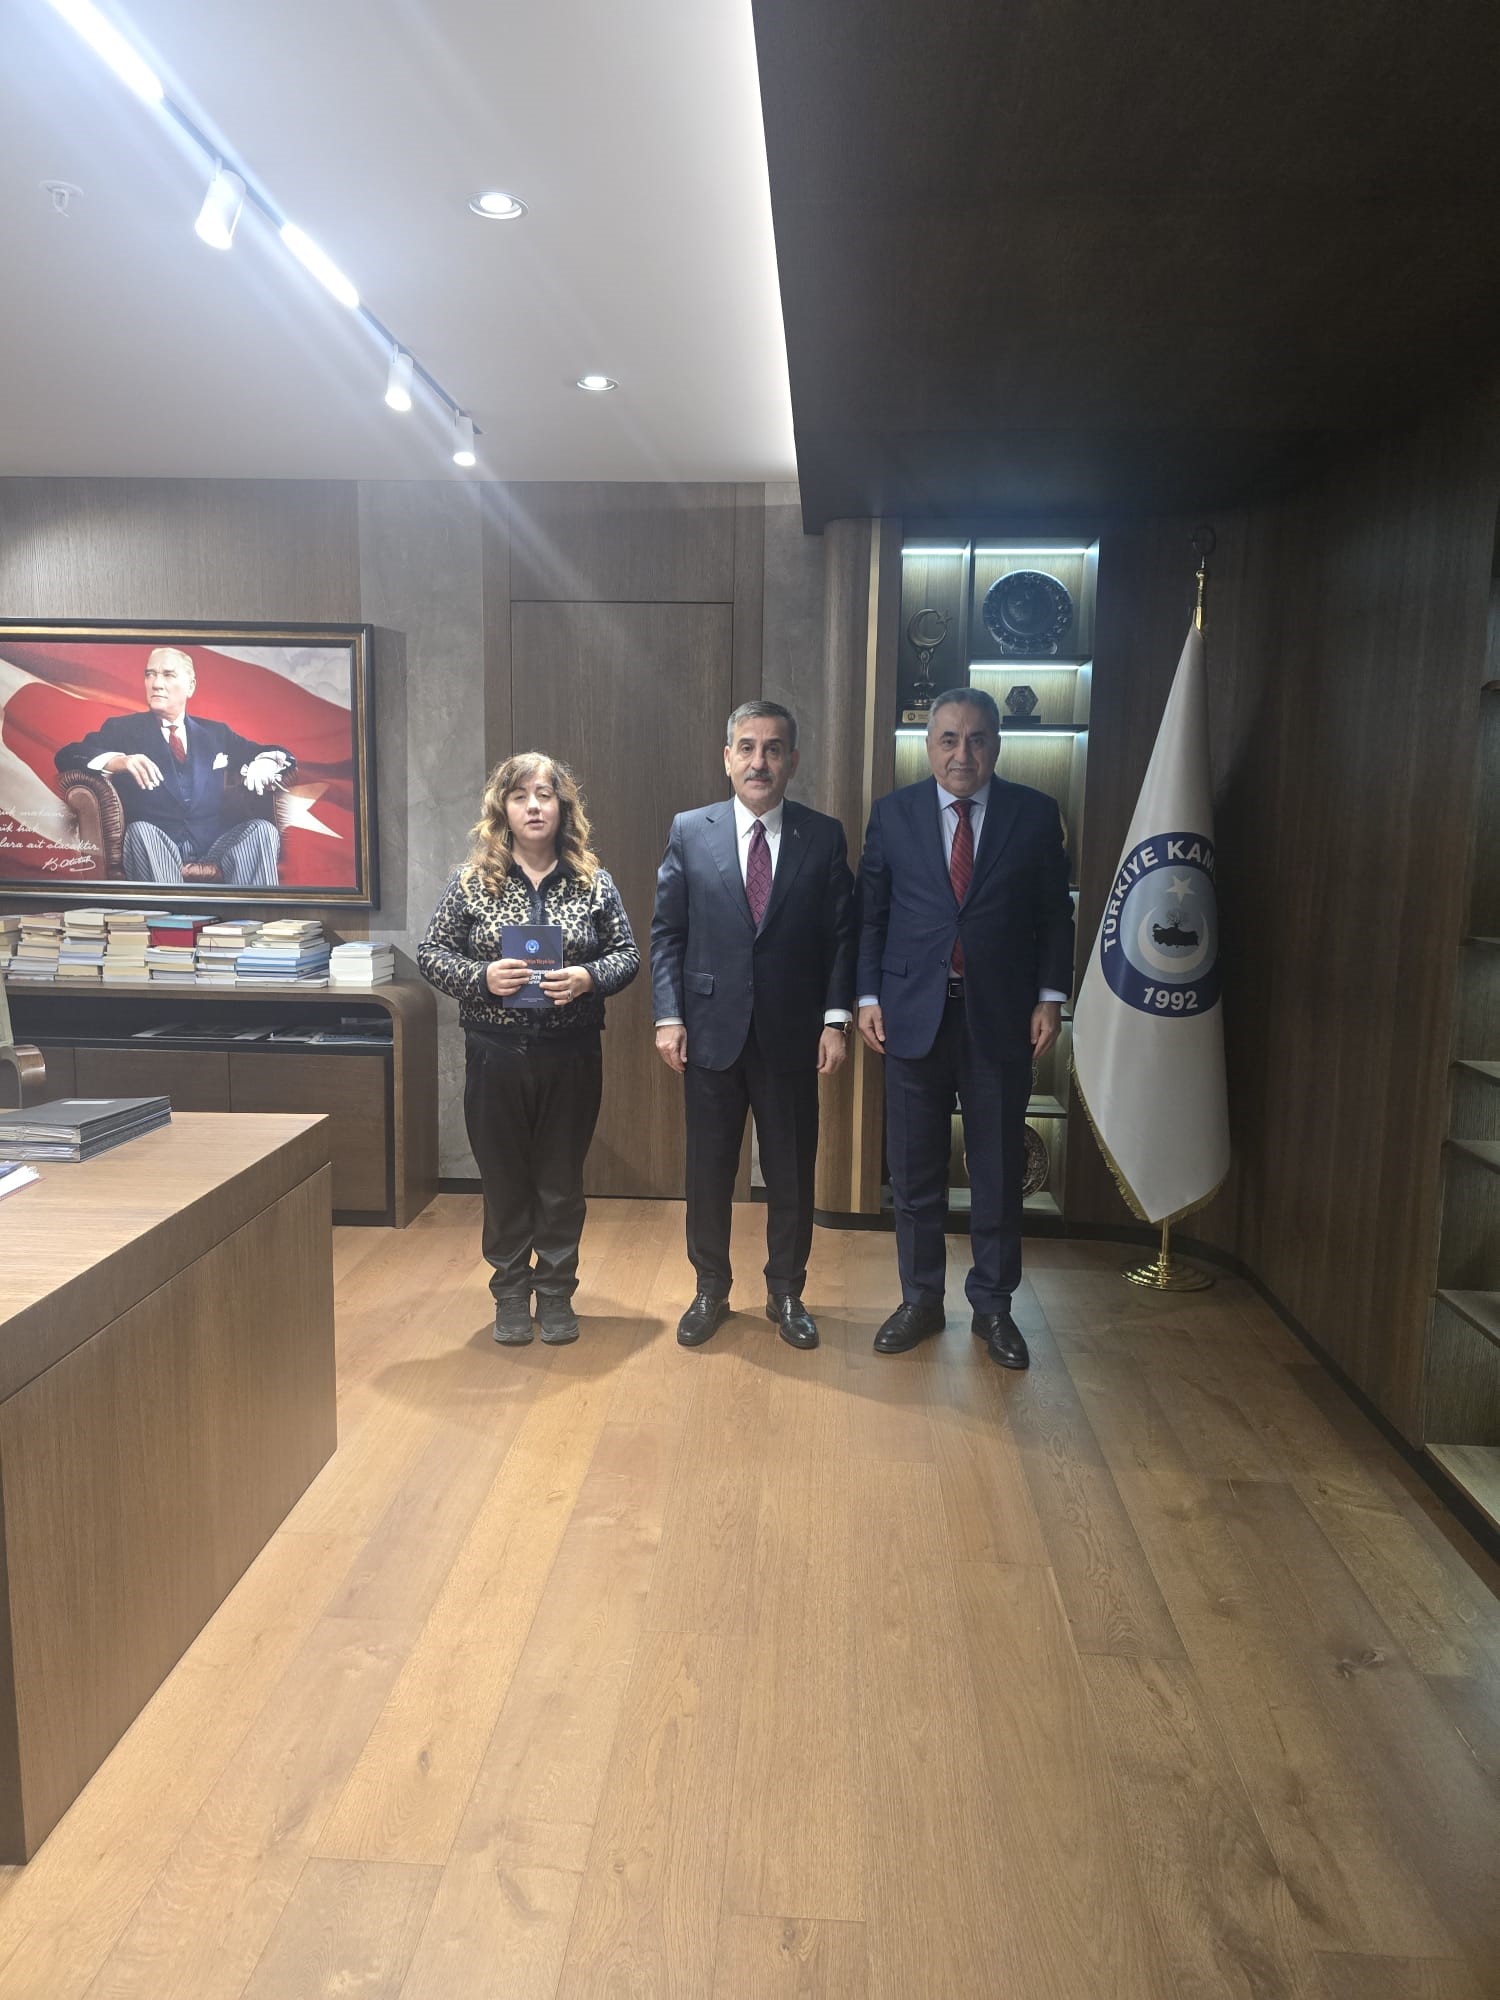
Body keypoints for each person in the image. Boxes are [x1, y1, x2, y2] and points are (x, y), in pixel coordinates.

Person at [856, 687, 1074, 1368]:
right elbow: (871, 915)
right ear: (929, 747)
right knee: (914, 1167)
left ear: (996, 745)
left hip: (1001, 1016)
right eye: (948, 739)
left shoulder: (1034, 814)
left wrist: (1050, 997)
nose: (962, 753)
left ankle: (994, 1307)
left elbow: (1054, 915)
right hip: (910, 1015)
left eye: (977, 739)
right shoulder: (892, 814)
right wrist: (867, 995)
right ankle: (920, 1300)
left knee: (997, 1168)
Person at [651, 699, 855, 1350]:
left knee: (791, 1170)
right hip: (709, 1032)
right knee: (709, 1171)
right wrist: (668, 1016)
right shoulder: (690, 830)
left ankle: (786, 1292)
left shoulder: (823, 836)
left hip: (793, 1035)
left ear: (791, 760)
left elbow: (841, 938)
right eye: (747, 747)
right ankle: (710, 1288)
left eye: (772, 749)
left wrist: (835, 1021)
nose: (758, 761)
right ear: (727, 758)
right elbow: (667, 933)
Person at [418, 752, 639, 1346]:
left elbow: (627, 955)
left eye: (545, 795)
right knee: (505, 1179)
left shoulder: (593, 882)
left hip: (571, 1054)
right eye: (520, 796)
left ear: (563, 807)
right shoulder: (471, 882)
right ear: (503, 809)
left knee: (561, 1181)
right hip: (495, 1053)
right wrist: (480, 977)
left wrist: (588, 978)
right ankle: (511, 1293)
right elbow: (432, 953)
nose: (534, 806)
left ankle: (557, 1291)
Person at [54, 645, 293, 885]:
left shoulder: (215, 733)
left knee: (262, 831)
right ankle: (168, 910)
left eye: (168, 675)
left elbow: (279, 754)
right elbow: (68, 755)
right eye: (150, 674)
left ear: (191, 686)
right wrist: (119, 761)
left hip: (213, 845)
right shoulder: (121, 729)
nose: (156, 683)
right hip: (155, 845)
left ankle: (250, 910)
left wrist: (265, 763)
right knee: (140, 831)